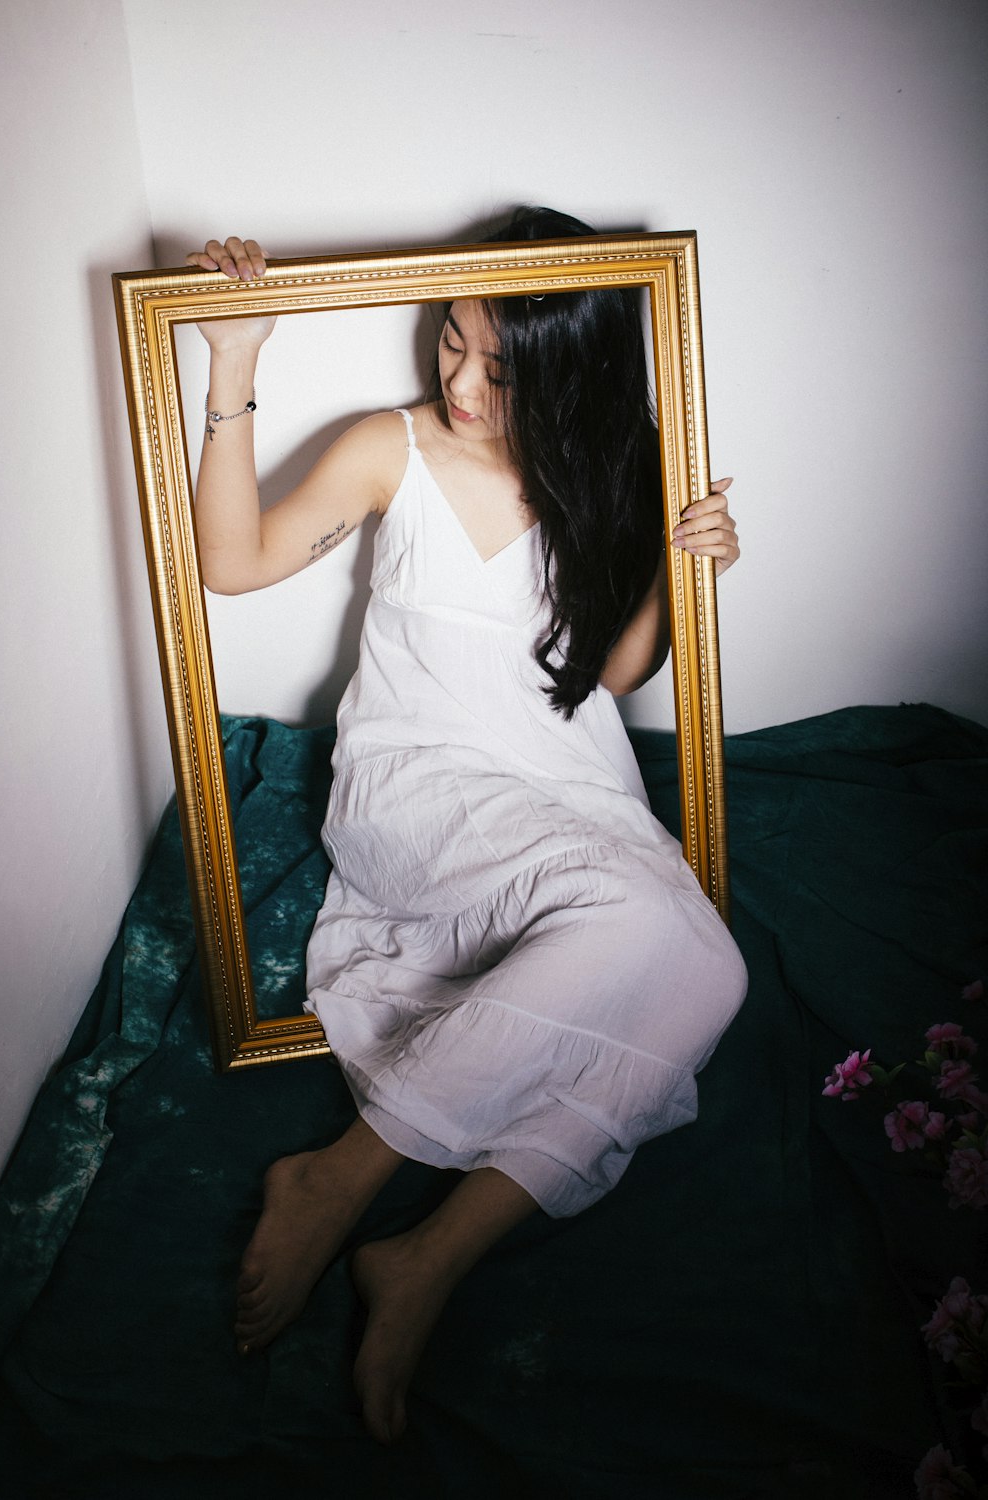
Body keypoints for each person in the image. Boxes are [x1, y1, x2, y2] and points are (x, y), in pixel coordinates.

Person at [186, 208, 747, 1445]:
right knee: (634, 929)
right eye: (453, 343)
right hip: (417, 786)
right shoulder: (388, 448)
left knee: (710, 964)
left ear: (574, 369)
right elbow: (228, 564)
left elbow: (607, 676)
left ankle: (431, 1255)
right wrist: (235, 363)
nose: (463, 380)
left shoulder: (617, 459)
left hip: (565, 777)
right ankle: (342, 1176)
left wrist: (676, 564)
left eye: (501, 366)